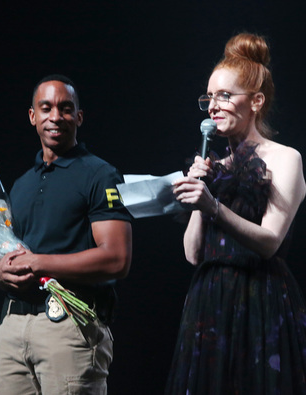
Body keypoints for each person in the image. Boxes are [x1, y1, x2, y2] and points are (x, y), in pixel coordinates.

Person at [169, 33, 306, 394]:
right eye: (209, 98)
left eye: (225, 96)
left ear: (256, 101)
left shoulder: (284, 158)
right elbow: (193, 253)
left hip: (259, 299)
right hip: (209, 301)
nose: (214, 107)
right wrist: (203, 195)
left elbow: (270, 242)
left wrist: (212, 206)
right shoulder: (214, 166)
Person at [0, 75, 133, 394]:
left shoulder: (100, 174)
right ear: (32, 116)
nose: (55, 116)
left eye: (66, 108)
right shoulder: (21, 184)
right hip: (13, 326)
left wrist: (39, 263)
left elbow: (117, 259)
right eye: (46, 108)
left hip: (68, 324)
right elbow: (9, 254)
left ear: (78, 117)